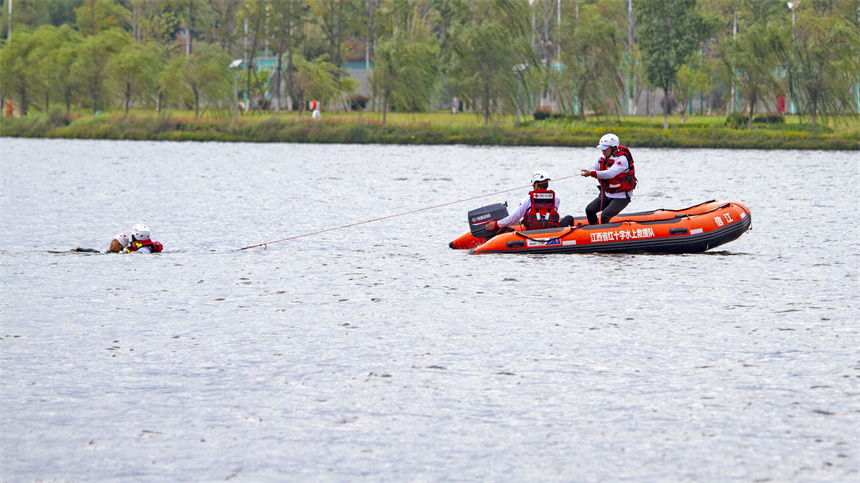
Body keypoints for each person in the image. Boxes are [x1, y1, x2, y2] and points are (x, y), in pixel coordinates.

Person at [580, 133, 637, 225]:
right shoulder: (602, 157)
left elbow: (610, 174)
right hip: (607, 194)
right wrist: (591, 172)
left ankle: (603, 236)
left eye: (605, 149)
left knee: (604, 216)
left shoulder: (622, 159)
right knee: (589, 210)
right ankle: (594, 232)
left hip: (621, 196)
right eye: (602, 148)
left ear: (614, 148)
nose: (603, 151)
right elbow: (592, 168)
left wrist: (592, 174)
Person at [485, 171, 567, 232]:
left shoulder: (528, 199)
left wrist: (497, 224)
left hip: (532, 232)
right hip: (551, 231)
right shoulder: (556, 199)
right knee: (568, 219)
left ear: (536, 184)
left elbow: (515, 217)